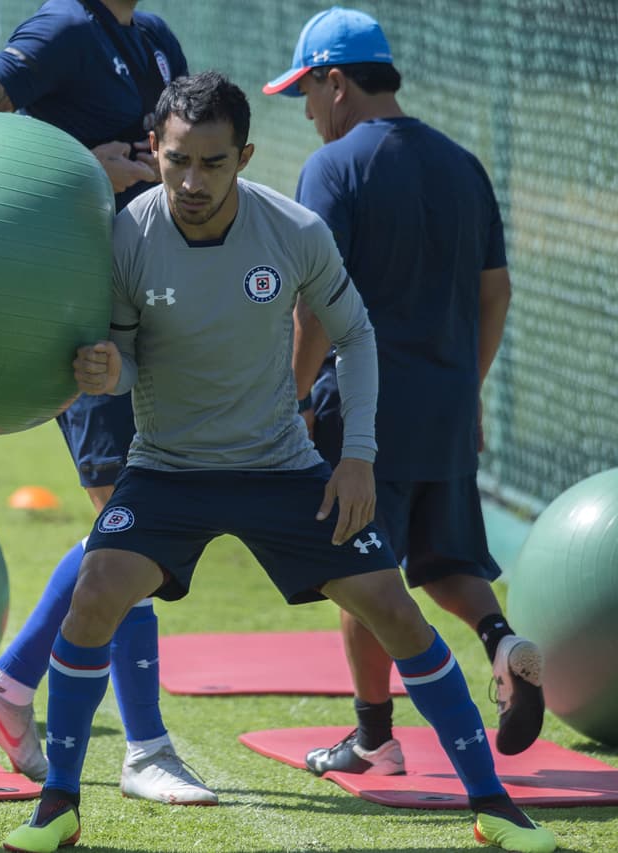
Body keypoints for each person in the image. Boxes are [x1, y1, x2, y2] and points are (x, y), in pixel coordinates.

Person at [1, 71, 556, 853]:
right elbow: (124, 355)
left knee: (394, 610)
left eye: (214, 163)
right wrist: (105, 371)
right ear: (154, 151)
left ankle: (496, 807)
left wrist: (356, 456)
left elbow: (356, 335)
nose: (192, 182)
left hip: (280, 468)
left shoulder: (294, 230)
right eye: (176, 161)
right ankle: (56, 808)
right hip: (165, 468)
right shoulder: (125, 235)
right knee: (95, 592)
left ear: (246, 156)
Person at [0, 0, 215, 806]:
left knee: (132, 523)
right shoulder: (61, 28)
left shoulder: (154, 36)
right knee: (132, 521)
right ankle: (146, 747)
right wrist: (81, 167)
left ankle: (12, 683)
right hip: (81, 317)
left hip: (146, 310)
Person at [261, 7, 543, 777]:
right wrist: (468, 386)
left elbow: (316, 302)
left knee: (361, 572)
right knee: (449, 560)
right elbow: (498, 292)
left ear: (337, 81)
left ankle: (373, 738)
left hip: (361, 416)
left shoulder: (334, 168)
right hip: (448, 403)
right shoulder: (463, 164)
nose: (311, 113)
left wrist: (287, 397)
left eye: (309, 95)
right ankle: (502, 641)